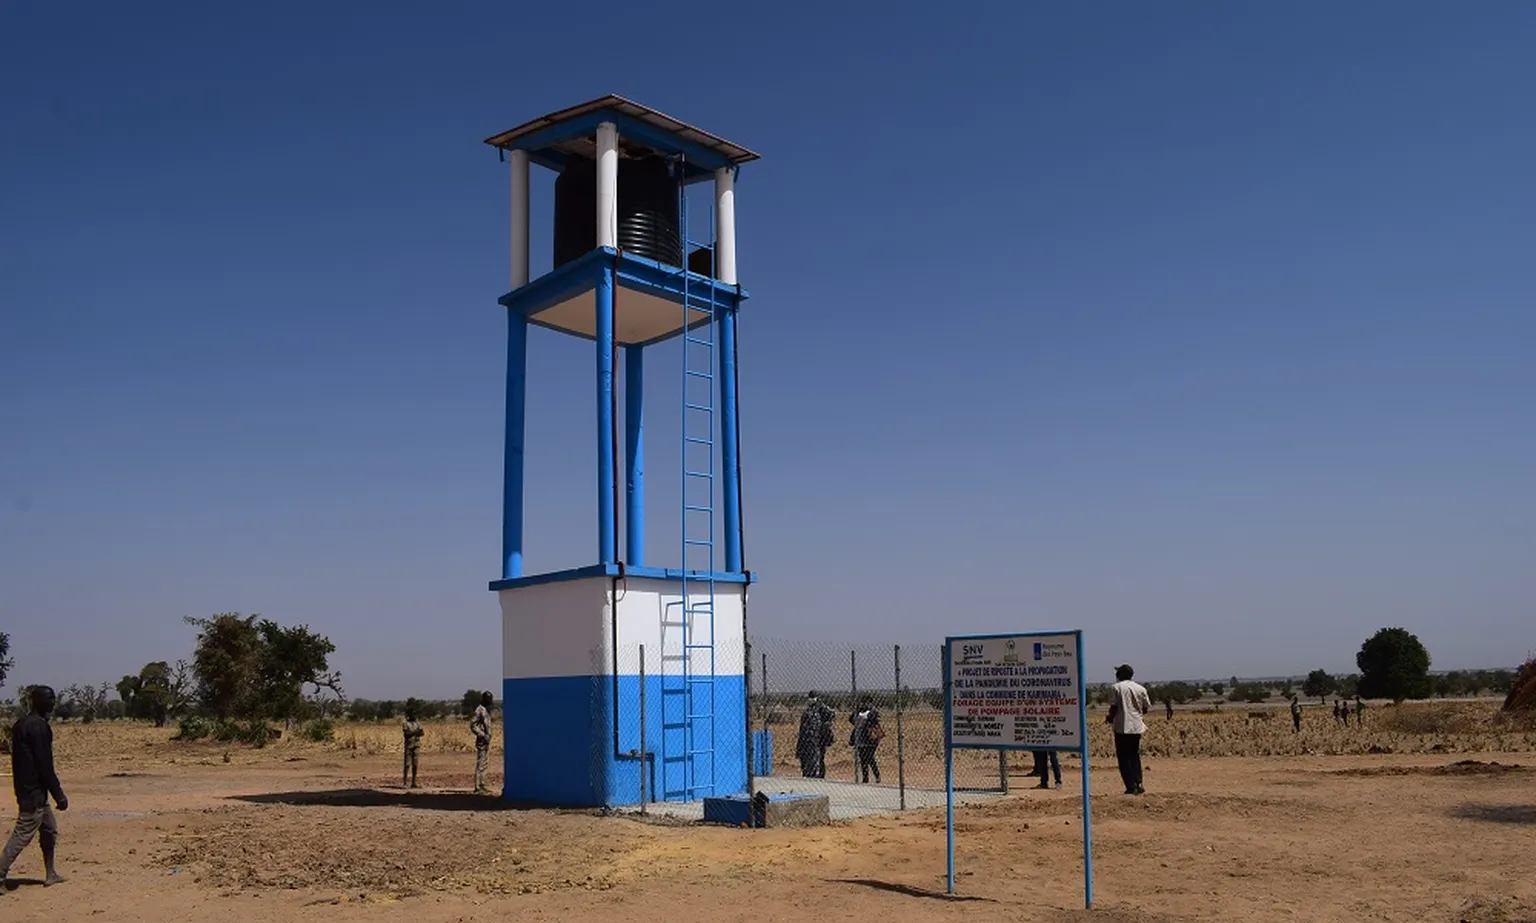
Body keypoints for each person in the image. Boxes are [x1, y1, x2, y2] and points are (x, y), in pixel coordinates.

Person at [1, 686, 68, 893]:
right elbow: (44, 765)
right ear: (38, 701)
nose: (53, 702)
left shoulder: (22, 724)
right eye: (49, 698)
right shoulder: (38, 727)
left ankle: (50, 873)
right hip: (34, 791)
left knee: (49, 829)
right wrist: (59, 795)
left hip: (26, 787)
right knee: (23, 834)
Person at [1107, 664, 1152, 795]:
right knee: (1134, 755)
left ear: (1120, 675)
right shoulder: (1141, 688)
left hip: (1122, 726)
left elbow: (1114, 707)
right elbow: (1145, 708)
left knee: (1123, 757)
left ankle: (1130, 786)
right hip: (1137, 726)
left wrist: (1109, 718)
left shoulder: (1116, 688)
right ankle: (1139, 782)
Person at [795, 692, 834, 778]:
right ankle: (810, 775)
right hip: (808, 740)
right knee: (808, 759)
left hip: (818, 739)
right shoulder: (810, 711)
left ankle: (817, 776)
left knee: (817, 759)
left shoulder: (821, 709)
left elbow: (831, 714)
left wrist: (820, 704)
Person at [849, 699, 883, 784]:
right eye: (863, 702)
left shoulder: (873, 711)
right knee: (863, 759)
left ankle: (877, 775)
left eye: (867, 702)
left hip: (870, 739)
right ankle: (865, 778)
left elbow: (875, 720)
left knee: (870, 757)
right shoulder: (859, 712)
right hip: (860, 739)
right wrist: (857, 710)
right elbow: (851, 719)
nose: (864, 704)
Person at [471, 691, 493, 795]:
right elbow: (473, 725)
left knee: (485, 763)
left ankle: (483, 784)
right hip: (482, 740)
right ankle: (477, 786)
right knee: (480, 763)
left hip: (487, 740)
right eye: (489, 699)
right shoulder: (479, 710)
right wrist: (482, 735)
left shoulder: (486, 710)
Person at [401, 705, 424, 788]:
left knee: (415, 765)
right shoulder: (405, 723)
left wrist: (414, 732)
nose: (414, 715)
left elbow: (422, 733)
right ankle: (405, 782)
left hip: (416, 745)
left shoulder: (417, 722)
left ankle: (414, 782)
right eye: (413, 714)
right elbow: (406, 734)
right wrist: (415, 732)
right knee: (407, 765)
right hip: (409, 746)